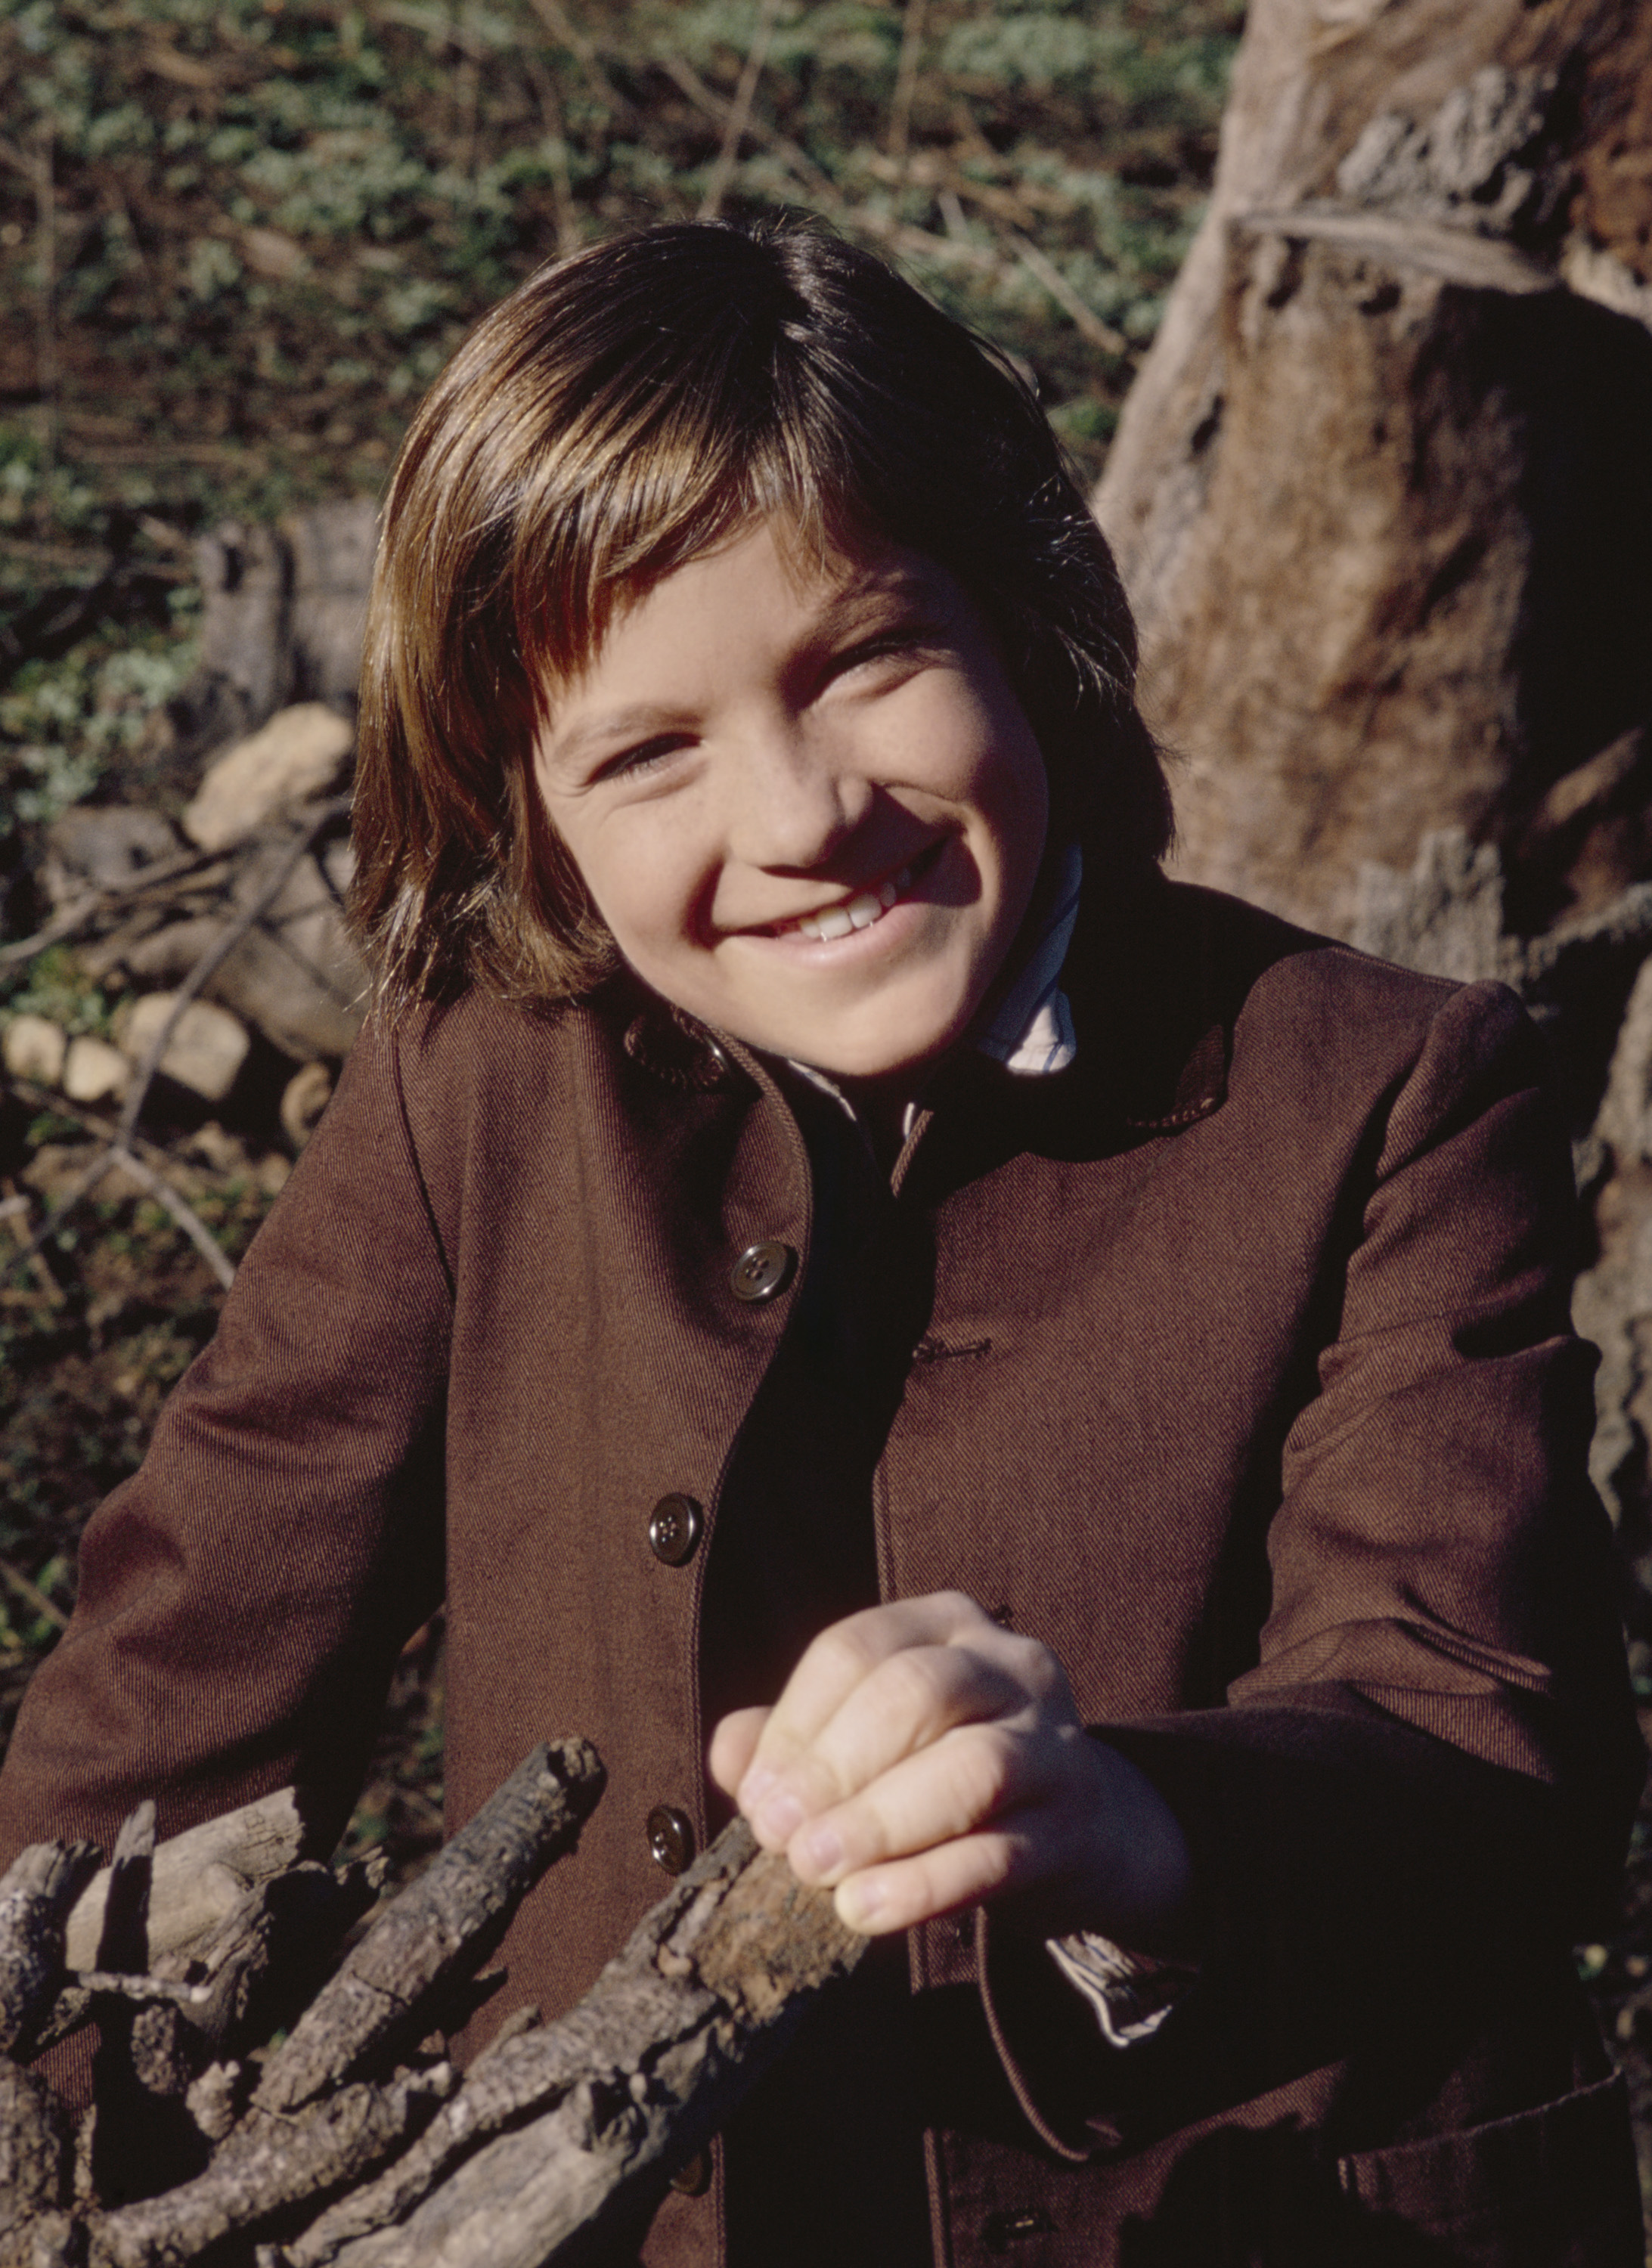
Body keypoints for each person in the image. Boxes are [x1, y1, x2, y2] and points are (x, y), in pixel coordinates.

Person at [0, 216, 1644, 2266]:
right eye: (647, 750)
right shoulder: (478, 1086)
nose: (794, 817)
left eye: (865, 658)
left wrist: (1130, 1822)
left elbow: (1477, 1751)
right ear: (528, 820)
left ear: (1028, 628)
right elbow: (182, 1691)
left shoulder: (1384, 1090)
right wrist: (54, 2123)